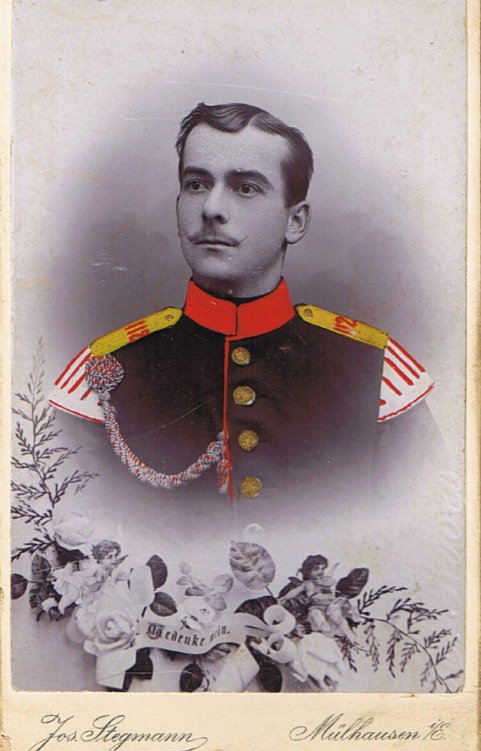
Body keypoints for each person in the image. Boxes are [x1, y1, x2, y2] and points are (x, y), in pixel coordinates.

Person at [49, 102, 433, 511]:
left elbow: (429, 528)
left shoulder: (378, 372)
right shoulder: (100, 378)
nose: (211, 208)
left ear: (295, 222)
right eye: (197, 184)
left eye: (245, 187)